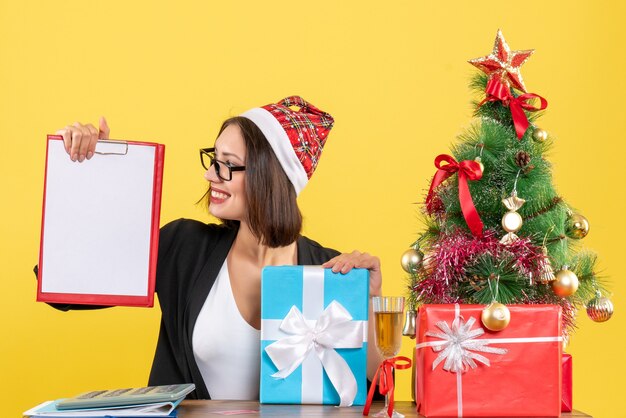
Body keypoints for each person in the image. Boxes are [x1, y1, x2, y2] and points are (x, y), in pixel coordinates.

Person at [51, 96, 384, 400]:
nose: (211, 174)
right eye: (213, 158)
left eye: (227, 163)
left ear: (269, 177)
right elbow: (67, 286)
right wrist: (97, 173)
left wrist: (365, 305)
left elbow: (374, 393)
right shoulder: (184, 248)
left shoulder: (329, 272)